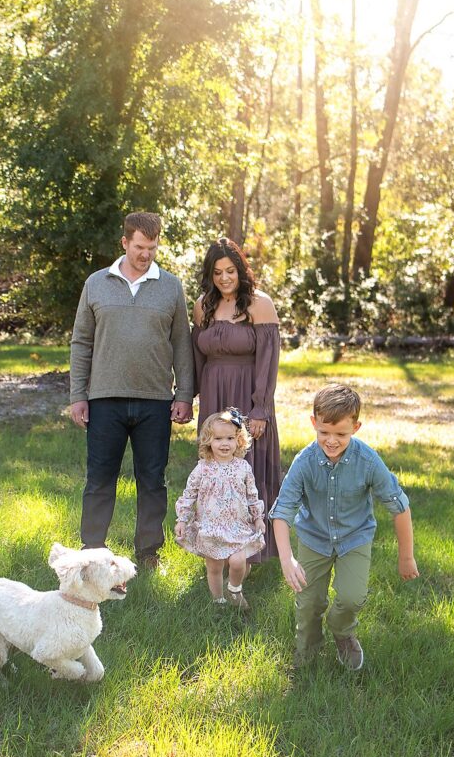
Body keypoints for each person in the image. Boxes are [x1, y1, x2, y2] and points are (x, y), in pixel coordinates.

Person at [69, 212, 194, 570]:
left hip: (155, 400)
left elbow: (182, 344)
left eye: (152, 248)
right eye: (140, 247)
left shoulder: (170, 286)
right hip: (104, 398)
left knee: (153, 480)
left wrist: (184, 394)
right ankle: (92, 551)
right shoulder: (96, 283)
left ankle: (148, 552)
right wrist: (79, 394)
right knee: (99, 479)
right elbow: (81, 342)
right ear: (125, 243)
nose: (146, 255)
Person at [269, 383, 419, 670]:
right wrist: (287, 559)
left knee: (352, 597)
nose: (332, 440)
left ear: (356, 427)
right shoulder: (304, 462)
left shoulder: (368, 460)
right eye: (324, 432)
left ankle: (342, 629)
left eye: (341, 434)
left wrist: (406, 556)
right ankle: (307, 654)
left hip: (354, 537)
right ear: (314, 423)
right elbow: (282, 511)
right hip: (314, 538)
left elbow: (399, 506)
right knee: (309, 602)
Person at [192, 237, 280, 562]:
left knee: (248, 473)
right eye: (217, 272)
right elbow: (196, 357)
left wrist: (260, 409)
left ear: (241, 270)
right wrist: (189, 398)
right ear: (210, 275)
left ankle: (251, 553)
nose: (225, 278)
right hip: (214, 397)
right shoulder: (203, 305)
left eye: (230, 270)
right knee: (214, 475)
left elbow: (268, 363)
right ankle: (216, 550)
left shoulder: (260, 304)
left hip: (247, 396)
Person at [175, 408, 265, 611]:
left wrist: (257, 517)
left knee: (238, 561)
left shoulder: (243, 467)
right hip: (211, 525)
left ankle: (234, 589)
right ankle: (218, 602)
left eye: (230, 438)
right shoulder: (203, 468)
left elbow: (252, 495)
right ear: (208, 441)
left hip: (236, 525)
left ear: (238, 440)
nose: (224, 444)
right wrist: (182, 519)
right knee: (214, 567)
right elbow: (189, 495)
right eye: (218, 439)